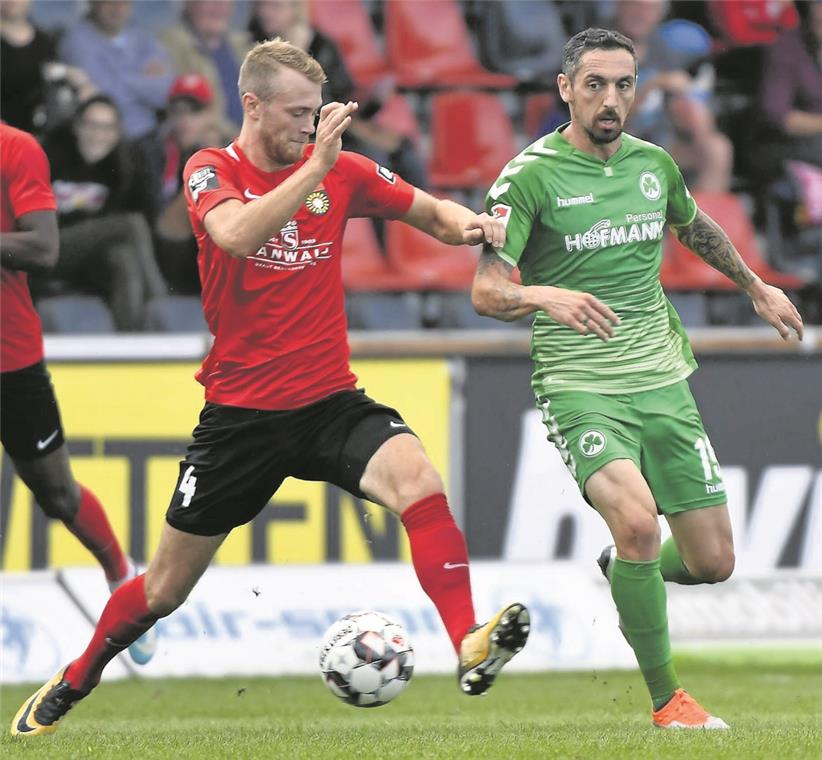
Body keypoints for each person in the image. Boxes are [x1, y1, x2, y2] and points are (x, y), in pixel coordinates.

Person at [11, 38, 530, 738]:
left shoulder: (337, 168)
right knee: (161, 590)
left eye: (316, 115)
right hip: (241, 418)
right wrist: (317, 169)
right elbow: (233, 235)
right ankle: (77, 678)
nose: (310, 130)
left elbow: (430, 213)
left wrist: (472, 226)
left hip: (328, 402)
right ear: (250, 104)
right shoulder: (209, 169)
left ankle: (468, 639)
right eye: (295, 114)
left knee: (419, 479)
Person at [471, 28, 803, 729]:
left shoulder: (652, 164)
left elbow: (691, 223)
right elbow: (487, 292)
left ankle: (623, 567)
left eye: (624, 83)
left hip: (661, 378)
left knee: (713, 562)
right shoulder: (528, 177)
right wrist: (543, 295)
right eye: (595, 84)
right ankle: (667, 702)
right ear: (566, 89)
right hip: (580, 383)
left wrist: (755, 285)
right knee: (637, 522)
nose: (611, 98)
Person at [0, 124, 157, 674]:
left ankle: (119, 574)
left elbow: (44, 248)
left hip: (9, 357)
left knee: (56, 493)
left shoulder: (16, 149)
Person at [35, 95, 168, 331]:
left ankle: (133, 345)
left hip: (92, 259)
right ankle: (161, 303)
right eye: (92, 125)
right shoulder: (48, 157)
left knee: (123, 259)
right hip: (51, 249)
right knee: (131, 223)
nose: (98, 135)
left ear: (117, 134)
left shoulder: (124, 168)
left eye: (107, 128)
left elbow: (148, 213)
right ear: (77, 127)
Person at [614, 0, 732, 192]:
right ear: (619, 5)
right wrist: (654, 85)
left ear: (661, 15)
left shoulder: (666, 52)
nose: (641, 14)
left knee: (717, 149)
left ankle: (696, 221)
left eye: (650, 8)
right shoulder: (598, 50)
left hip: (660, 143)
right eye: (635, 5)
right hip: (616, 148)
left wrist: (692, 114)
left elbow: (688, 110)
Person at [57, 0, 173, 145]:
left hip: (148, 134)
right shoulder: (76, 41)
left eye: (124, 3)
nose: (117, 9)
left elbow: (166, 91)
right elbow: (106, 96)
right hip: (105, 139)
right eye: (110, 3)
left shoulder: (142, 37)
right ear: (93, 4)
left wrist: (119, 77)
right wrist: (141, 78)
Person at [160, 0, 252, 134]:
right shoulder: (169, 48)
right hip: (212, 146)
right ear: (188, 4)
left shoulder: (243, 45)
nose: (220, 6)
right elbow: (186, 112)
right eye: (210, 1)